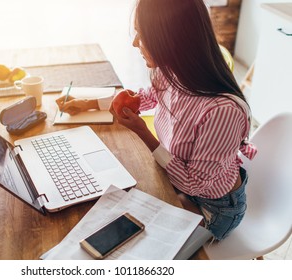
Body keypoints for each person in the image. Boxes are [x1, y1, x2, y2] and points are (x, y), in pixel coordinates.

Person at [56, 0, 257, 241]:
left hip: (213, 207)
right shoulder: (171, 71)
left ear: (170, 38)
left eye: (142, 34)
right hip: (178, 184)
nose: (134, 43)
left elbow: (194, 185)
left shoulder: (222, 112)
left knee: (137, 238)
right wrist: (88, 103)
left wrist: (144, 133)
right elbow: (146, 98)